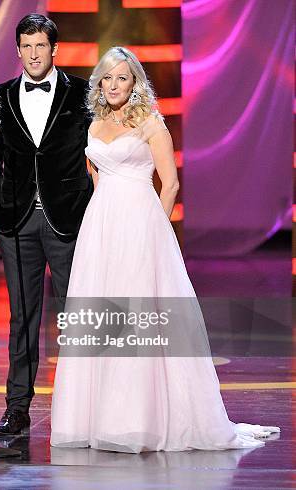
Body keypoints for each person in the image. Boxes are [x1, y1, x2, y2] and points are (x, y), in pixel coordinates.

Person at [50, 46, 279, 452]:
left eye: (123, 77)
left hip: (142, 222)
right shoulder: (95, 125)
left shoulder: (152, 124)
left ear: (134, 81)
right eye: (108, 77)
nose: (115, 84)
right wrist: (101, 220)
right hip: (101, 227)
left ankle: (141, 421)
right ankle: (97, 419)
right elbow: (98, 176)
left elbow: (169, 183)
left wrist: (152, 229)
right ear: (99, 83)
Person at [0, 14, 92, 435]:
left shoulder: (81, 93)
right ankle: (18, 406)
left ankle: (82, 405)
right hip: (17, 219)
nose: (32, 54)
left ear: (54, 49)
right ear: (18, 50)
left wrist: (96, 208)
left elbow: (97, 150)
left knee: (74, 312)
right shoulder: (1, 97)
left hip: (68, 218)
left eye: (40, 46)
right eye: (25, 46)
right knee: (22, 317)